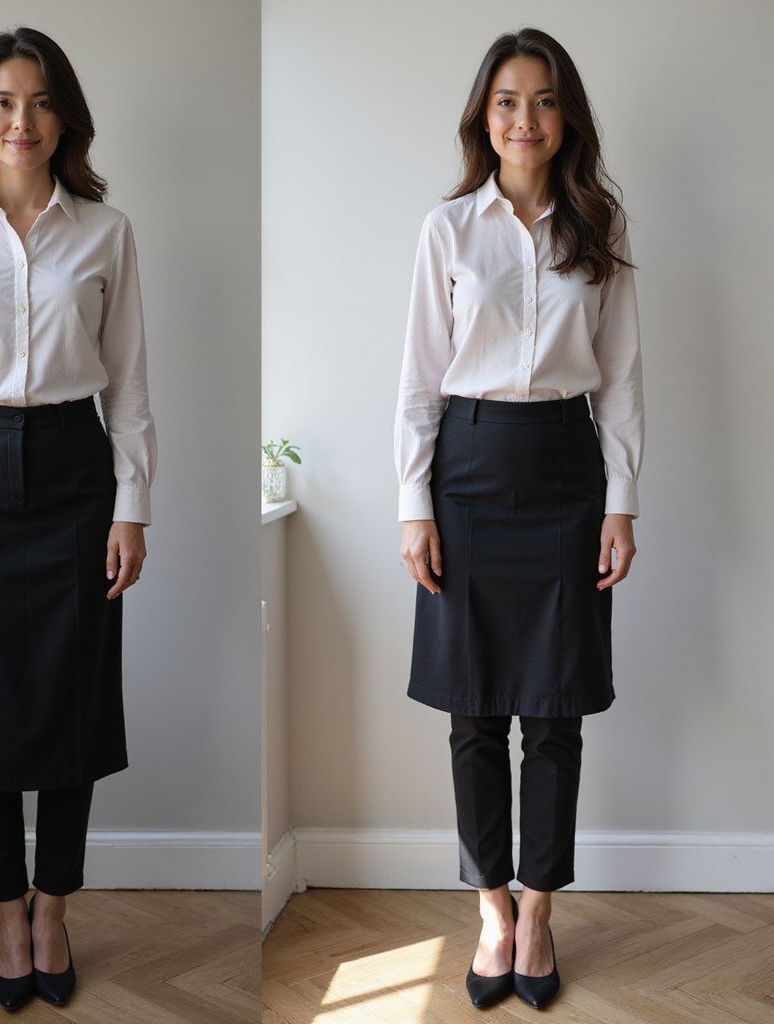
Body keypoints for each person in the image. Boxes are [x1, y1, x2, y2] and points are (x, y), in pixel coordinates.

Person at [0, 26, 156, 1011]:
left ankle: (55, 906)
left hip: (74, 470)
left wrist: (131, 506)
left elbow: (129, 384)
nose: (22, 119)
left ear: (64, 118)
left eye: (41, 101)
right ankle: (5, 911)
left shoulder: (107, 230)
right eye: (5, 101)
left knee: (73, 699)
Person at [394, 27, 643, 1011]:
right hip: (465, 470)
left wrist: (620, 500)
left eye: (542, 100)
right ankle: (490, 907)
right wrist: (413, 505)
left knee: (554, 711)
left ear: (564, 115)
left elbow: (621, 380)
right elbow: (416, 382)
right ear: (482, 116)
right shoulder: (447, 230)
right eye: (506, 99)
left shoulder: (599, 227)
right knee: (472, 710)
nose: (524, 118)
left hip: (565, 478)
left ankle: (540, 910)